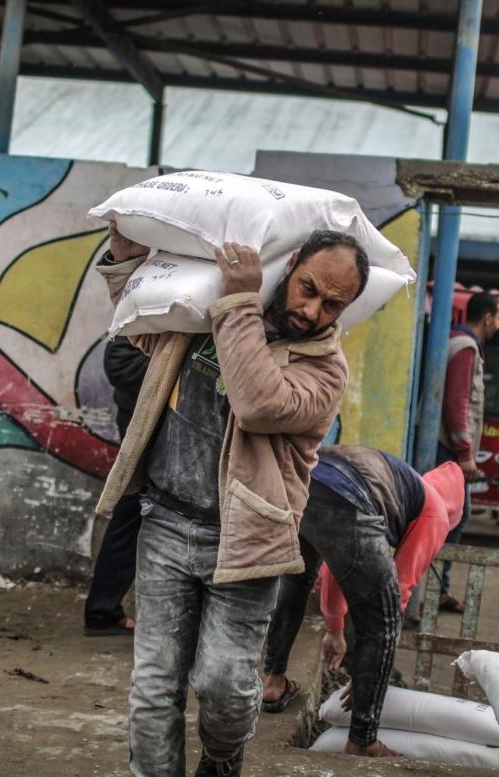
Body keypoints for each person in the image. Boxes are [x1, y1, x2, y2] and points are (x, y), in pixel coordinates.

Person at [95, 225, 368, 777]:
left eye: (332, 304)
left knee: (224, 688)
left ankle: (221, 758)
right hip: (166, 522)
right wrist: (124, 257)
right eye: (309, 289)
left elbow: (257, 403)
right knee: (153, 688)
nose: (314, 310)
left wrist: (240, 301)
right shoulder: (207, 313)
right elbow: (143, 324)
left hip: (248, 542)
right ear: (290, 265)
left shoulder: (324, 370)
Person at [259, 446, 465, 758]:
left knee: (296, 579)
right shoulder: (436, 513)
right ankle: (363, 739)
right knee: (384, 624)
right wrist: (371, 675)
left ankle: (273, 681)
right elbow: (398, 592)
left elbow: (336, 561)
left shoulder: (406, 484)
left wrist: (335, 629)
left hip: (306, 477)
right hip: (345, 491)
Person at [436, 291, 499, 613]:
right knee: (453, 520)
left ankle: (436, 589)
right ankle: (435, 589)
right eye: (498, 317)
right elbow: (456, 402)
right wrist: (464, 454)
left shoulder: (459, 343)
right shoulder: (465, 347)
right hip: (449, 452)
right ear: (487, 317)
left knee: (452, 519)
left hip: (449, 450)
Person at [83, 339, 149, 636]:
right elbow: (119, 362)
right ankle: (102, 611)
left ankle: (104, 610)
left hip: (152, 419)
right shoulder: (150, 294)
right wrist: (185, 372)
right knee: (132, 509)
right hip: (145, 421)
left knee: (134, 511)